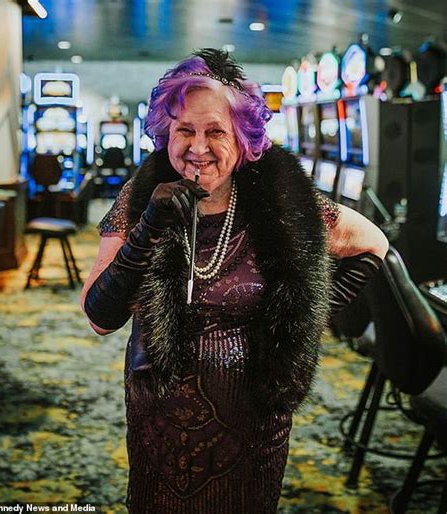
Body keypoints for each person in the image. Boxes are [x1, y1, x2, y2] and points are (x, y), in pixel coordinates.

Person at [81, 49, 389, 513]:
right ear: (166, 133)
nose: (198, 147)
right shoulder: (142, 195)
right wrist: (148, 226)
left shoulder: (279, 202)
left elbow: (373, 243)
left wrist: (308, 315)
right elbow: (100, 318)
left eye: (215, 132)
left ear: (243, 139)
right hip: (159, 422)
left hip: (253, 423)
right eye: (184, 130)